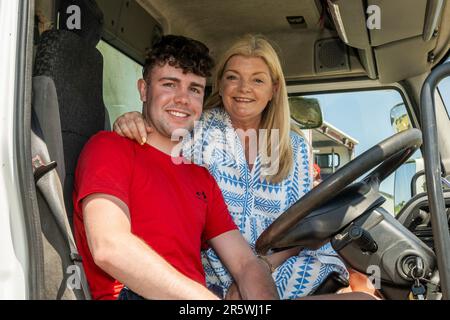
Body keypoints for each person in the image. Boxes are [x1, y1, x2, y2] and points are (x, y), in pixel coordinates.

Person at [113, 34, 377, 300]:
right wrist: (132, 118)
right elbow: (155, 138)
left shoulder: (294, 147)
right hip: (212, 280)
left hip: (290, 268)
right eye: (233, 77)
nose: (243, 89)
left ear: (274, 88)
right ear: (220, 84)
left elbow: (306, 226)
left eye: (257, 80)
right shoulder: (193, 131)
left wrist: (262, 266)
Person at [73, 35, 279, 300]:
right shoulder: (110, 148)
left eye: (194, 89)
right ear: (144, 90)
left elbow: (245, 264)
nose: (183, 99)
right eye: (170, 85)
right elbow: (110, 248)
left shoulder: (200, 177)